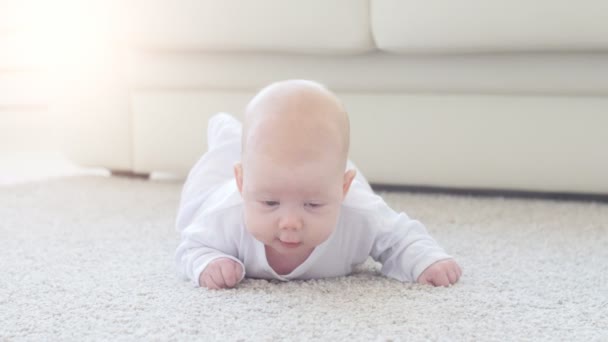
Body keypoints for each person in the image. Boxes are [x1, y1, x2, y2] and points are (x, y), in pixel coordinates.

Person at [175, 80, 462, 289]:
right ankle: (226, 133)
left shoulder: (359, 214)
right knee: (217, 165)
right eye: (270, 203)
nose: (289, 222)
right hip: (217, 188)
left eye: (312, 204)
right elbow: (191, 246)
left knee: (314, 166)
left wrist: (427, 260)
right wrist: (208, 264)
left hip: (308, 176)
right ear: (243, 183)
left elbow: (401, 237)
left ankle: (239, 142)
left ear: (342, 189)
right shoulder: (225, 216)